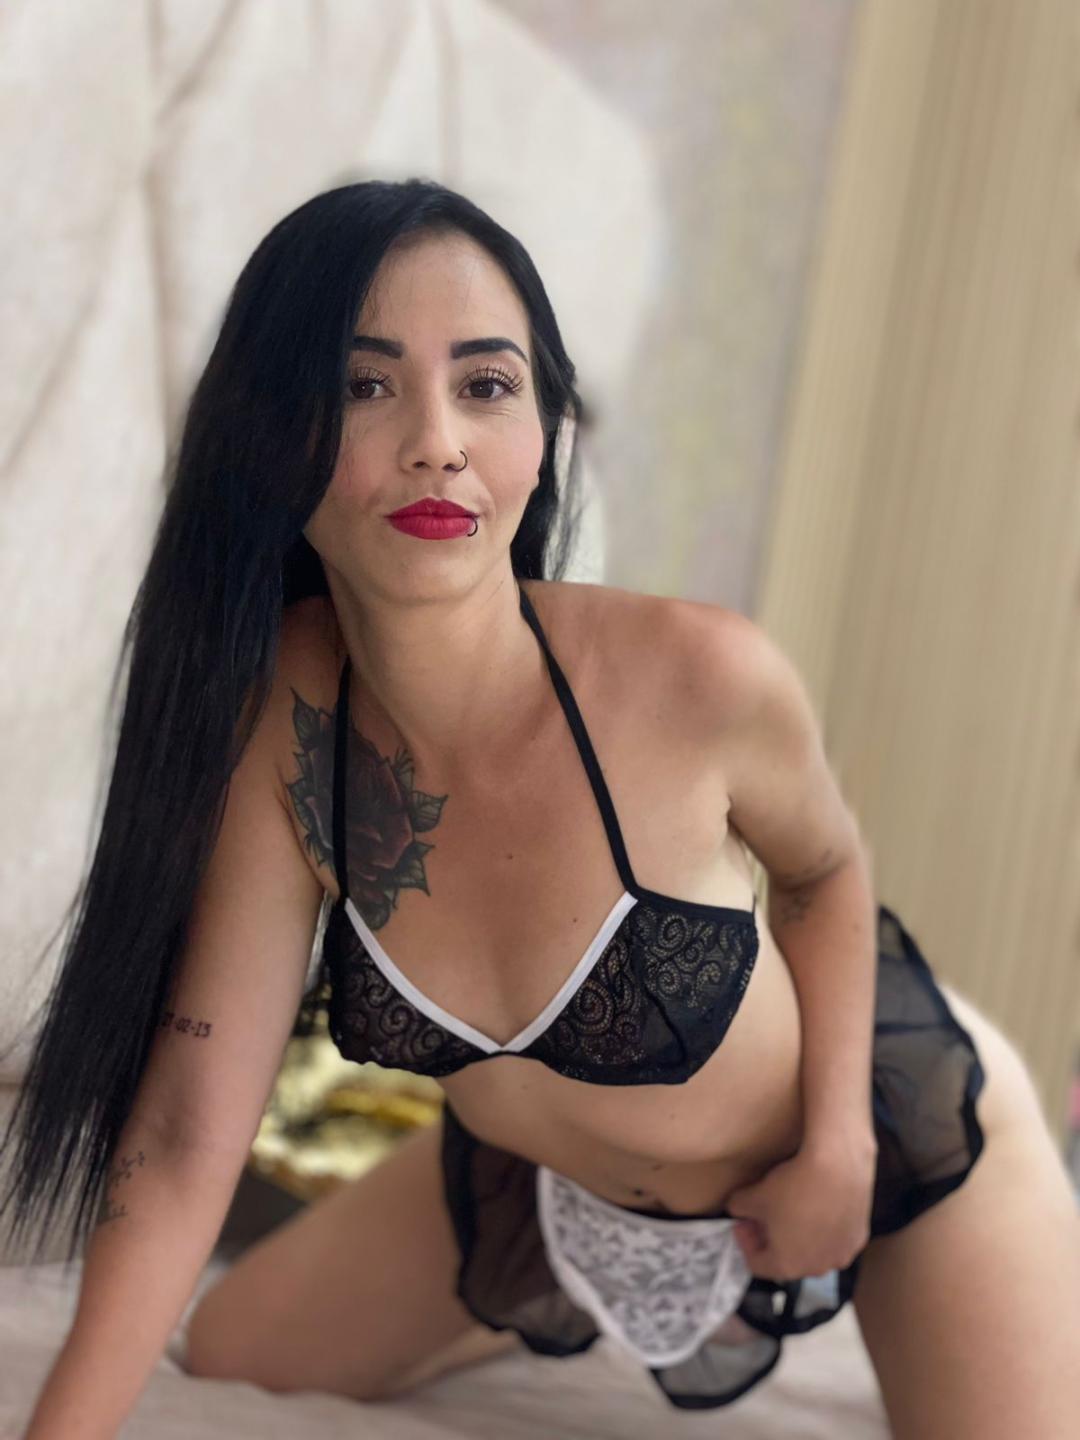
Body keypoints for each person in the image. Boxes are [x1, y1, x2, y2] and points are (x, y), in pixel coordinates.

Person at [4, 178, 1078, 1438]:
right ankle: (544, 1273)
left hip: (871, 1131)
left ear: (548, 430)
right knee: (240, 1346)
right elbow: (193, 1123)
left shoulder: (697, 676)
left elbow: (825, 873)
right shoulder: (284, 713)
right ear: (269, 432)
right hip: (540, 1170)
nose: (436, 442)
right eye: (365, 385)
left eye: (485, 384)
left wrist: (839, 1142)